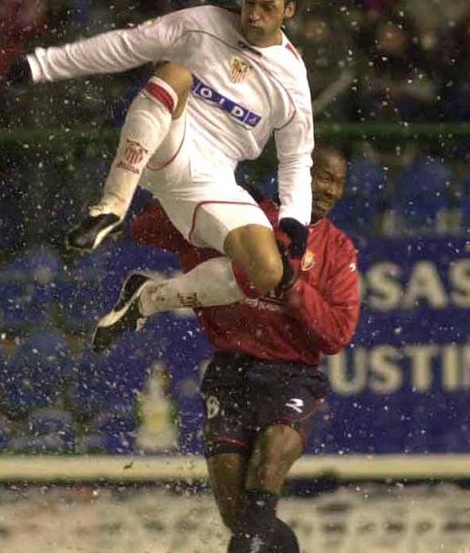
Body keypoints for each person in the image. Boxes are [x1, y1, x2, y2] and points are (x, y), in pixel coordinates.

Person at [9, 0, 316, 344]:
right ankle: (111, 207)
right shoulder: (203, 23)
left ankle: (148, 298)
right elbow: (126, 45)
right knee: (175, 73)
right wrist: (42, 64)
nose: (254, 15)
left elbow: (297, 158)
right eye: (249, 2)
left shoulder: (292, 78)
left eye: (268, 7)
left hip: (214, 179)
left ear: (289, 10)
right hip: (168, 139)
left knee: (268, 271)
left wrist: (295, 219)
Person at [128, 143, 360, 553]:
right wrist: (178, 188)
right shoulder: (240, 219)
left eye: (340, 183)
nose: (331, 191)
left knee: (270, 460)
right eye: (323, 178)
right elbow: (144, 229)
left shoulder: (337, 249)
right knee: (243, 519)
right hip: (230, 371)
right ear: (297, 174)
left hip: (292, 374)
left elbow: (337, 334)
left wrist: (292, 288)